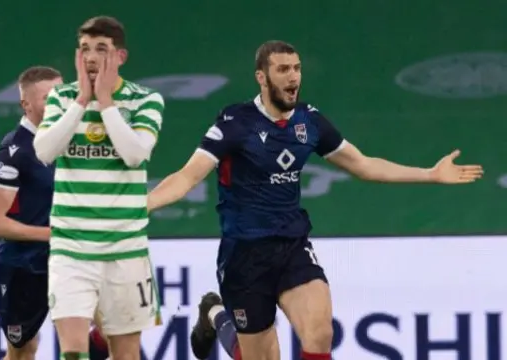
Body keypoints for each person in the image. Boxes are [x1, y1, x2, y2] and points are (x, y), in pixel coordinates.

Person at [147, 40, 483, 360]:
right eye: (282, 69)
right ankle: (216, 314)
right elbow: (186, 178)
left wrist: (430, 173)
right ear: (262, 78)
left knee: (319, 333)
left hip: (292, 246)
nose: (293, 77)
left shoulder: (309, 121)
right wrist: (138, 206)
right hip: (244, 257)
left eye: (297, 68)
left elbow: (362, 165)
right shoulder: (236, 124)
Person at [33, 16, 164, 360]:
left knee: (125, 353)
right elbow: (44, 151)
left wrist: (105, 103)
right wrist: (81, 102)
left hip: (126, 250)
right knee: (73, 352)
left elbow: (135, 155)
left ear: (120, 57)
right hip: (71, 250)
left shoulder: (145, 100)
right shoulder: (61, 99)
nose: (91, 58)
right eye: (85, 49)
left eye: (101, 50)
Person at [0, 66, 62, 360]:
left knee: (107, 330)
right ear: (25, 105)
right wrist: (52, 235)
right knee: (23, 351)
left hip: (67, 258)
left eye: (61, 95)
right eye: (47, 98)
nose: (57, 104)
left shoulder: (66, 142)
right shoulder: (15, 151)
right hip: (24, 265)